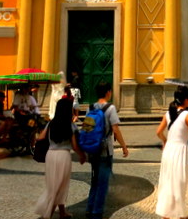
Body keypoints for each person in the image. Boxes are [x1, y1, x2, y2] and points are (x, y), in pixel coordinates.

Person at [155, 85, 188, 218]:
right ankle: (181, 214)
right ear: (186, 99)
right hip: (180, 150)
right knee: (179, 182)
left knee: (168, 181)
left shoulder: (168, 114)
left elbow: (158, 131)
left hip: (169, 149)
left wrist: (165, 141)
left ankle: (167, 213)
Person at [34, 98, 85, 219]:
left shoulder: (51, 123)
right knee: (60, 185)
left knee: (54, 184)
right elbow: (74, 145)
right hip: (63, 156)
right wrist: (82, 155)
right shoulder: (70, 125)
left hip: (50, 155)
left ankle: (62, 212)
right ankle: (48, 214)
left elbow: (40, 137)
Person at [85, 82, 129, 219]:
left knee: (94, 180)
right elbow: (116, 129)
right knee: (103, 183)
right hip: (105, 150)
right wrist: (124, 146)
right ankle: (97, 212)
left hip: (93, 149)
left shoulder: (90, 107)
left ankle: (89, 207)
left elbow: (87, 129)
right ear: (108, 92)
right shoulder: (111, 108)